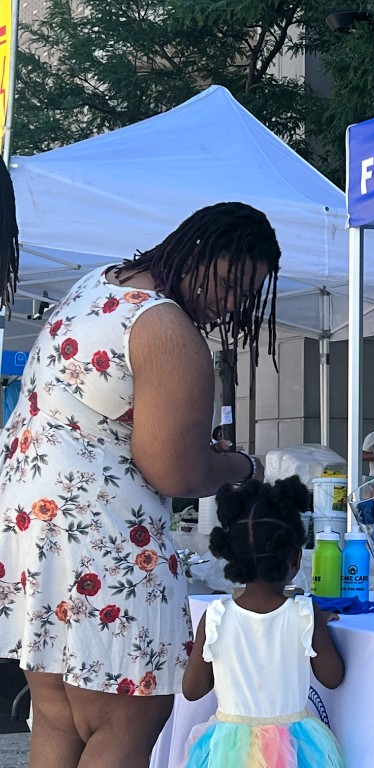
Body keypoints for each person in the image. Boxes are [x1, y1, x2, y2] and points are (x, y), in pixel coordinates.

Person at [0, 201, 281, 767]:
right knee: (124, 723)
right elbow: (176, 473)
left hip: (35, 532)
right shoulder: (166, 327)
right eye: (227, 284)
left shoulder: (98, 284)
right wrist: (240, 466)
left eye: (243, 298)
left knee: (58, 718)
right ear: (194, 252)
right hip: (105, 544)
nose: (228, 304)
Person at [181, 477, 345, 768]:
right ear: (296, 558)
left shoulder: (216, 616)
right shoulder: (305, 614)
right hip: (297, 747)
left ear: (231, 556)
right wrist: (319, 623)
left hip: (228, 751)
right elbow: (333, 678)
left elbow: (193, 690)